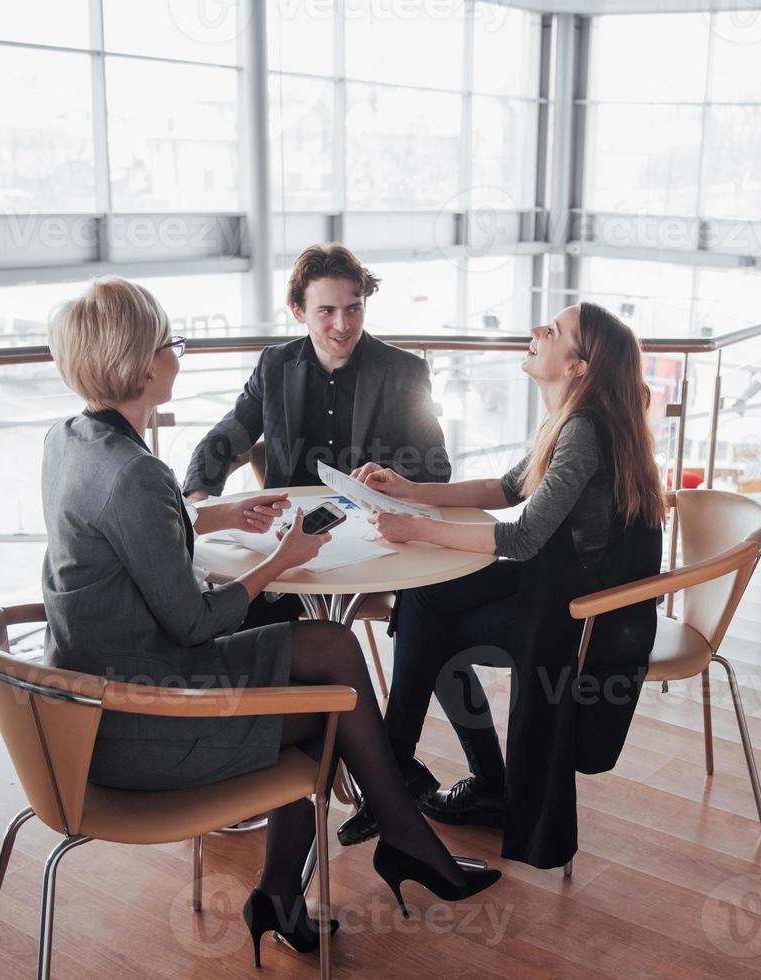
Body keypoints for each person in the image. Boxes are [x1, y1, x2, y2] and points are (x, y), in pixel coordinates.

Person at [40, 278, 497, 966]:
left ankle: (346, 860)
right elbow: (194, 622)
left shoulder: (71, 440)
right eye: (172, 343)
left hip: (91, 703)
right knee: (328, 698)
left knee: (330, 650)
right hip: (144, 717)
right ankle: (377, 846)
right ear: (142, 364)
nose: (177, 355)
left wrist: (214, 515)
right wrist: (279, 559)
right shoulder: (137, 473)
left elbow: (122, 531)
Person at [336, 302, 666, 870]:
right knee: (424, 598)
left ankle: (408, 775)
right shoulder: (572, 418)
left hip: (579, 616)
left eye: (556, 331)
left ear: (579, 365)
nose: (538, 331)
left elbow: (524, 537)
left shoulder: (583, 431)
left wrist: (416, 527)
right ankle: (404, 772)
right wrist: (413, 492)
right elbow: (508, 487)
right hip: (557, 587)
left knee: (429, 623)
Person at [183, 243, 451, 630]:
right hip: (286, 541)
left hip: (379, 543)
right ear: (298, 311)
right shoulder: (274, 365)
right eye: (326, 311)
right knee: (249, 625)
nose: (342, 325)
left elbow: (436, 466)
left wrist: (392, 476)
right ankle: (297, 683)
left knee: (432, 608)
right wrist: (199, 499)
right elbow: (225, 439)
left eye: (353, 308)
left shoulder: (404, 371)